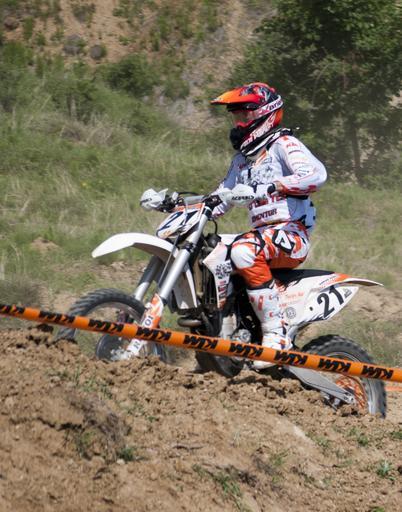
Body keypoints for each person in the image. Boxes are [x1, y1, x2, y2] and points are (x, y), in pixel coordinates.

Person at [210, 82, 327, 369]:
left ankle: (277, 335)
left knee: (244, 250)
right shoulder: (242, 160)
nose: (239, 123)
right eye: (235, 116)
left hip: (291, 234)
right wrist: (183, 205)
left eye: (245, 115)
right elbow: (221, 198)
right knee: (212, 251)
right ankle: (227, 327)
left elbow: (316, 174)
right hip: (263, 235)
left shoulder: (283, 145)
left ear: (264, 114)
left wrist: (274, 185)